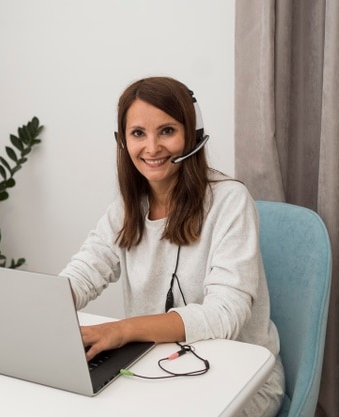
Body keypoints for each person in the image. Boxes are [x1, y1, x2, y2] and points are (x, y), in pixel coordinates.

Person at [60, 76, 284, 417]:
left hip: (240, 379)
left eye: (166, 131)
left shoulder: (229, 201)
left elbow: (226, 314)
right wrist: (44, 310)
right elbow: (85, 271)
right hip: (159, 366)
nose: (151, 148)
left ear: (192, 134)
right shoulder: (127, 207)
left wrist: (121, 330)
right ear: (123, 141)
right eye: (138, 133)